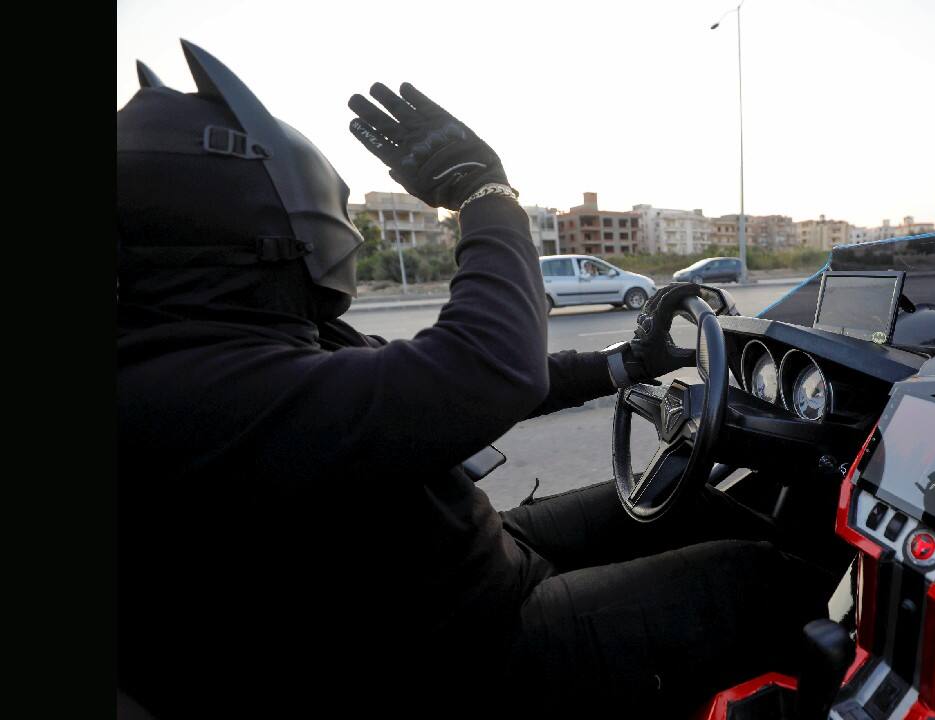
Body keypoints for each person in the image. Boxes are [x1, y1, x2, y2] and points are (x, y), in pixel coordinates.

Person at [118, 41, 840, 719]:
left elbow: (442, 382)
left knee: (687, 498)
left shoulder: (219, 341)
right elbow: (488, 368)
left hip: (456, 571)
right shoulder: (184, 390)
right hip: (461, 651)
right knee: (759, 582)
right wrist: (485, 191)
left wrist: (626, 363)